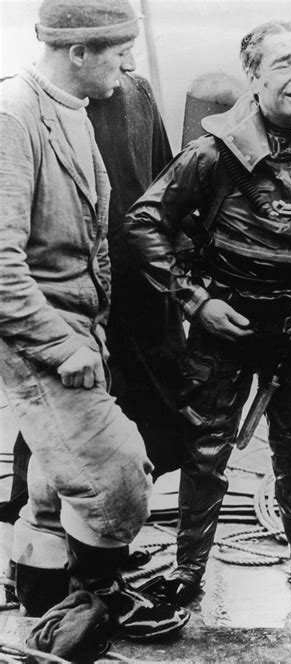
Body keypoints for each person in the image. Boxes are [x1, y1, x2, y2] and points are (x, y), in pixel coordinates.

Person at [125, 19, 291, 605]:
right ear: (253, 76)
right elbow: (145, 223)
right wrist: (195, 301)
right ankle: (188, 572)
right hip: (228, 325)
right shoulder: (212, 155)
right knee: (206, 450)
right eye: (283, 65)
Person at [0, 0, 188, 640]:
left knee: (54, 477)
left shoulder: (72, 111)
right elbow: (0, 266)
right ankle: (92, 599)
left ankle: (39, 593)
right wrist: (63, 345)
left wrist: (97, 329)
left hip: (84, 329)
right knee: (116, 477)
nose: (129, 64)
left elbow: (93, 239)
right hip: (42, 338)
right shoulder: (13, 116)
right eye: (117, 51)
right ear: (78, 53)